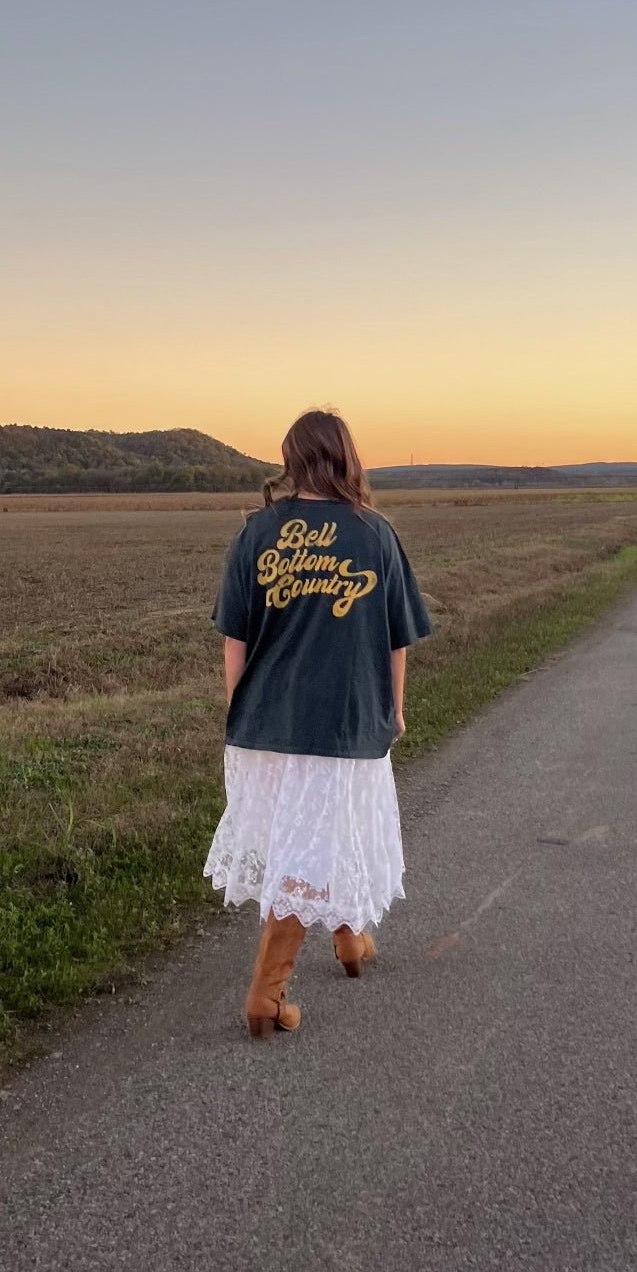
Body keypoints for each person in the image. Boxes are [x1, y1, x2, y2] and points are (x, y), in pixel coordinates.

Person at [204, 408, 433, 1037]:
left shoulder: (256, 532)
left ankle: (351, 941)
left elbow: (234, 637)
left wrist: (239, 708)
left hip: (266, 720)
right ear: (346, 457)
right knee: (309, 846)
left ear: (291, 459)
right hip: (343, 720)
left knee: (319, 832)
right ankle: (266, 995)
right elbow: (396, 640)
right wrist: (396, 706)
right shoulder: (375, 534)